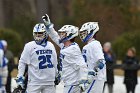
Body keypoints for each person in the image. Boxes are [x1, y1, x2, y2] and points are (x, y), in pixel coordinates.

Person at [42, 14, 88, 93]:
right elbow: (55, 37)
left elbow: (82, 65)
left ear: (70, 35)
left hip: (73, 84)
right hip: (69, 83)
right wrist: (49, 26)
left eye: (63, 34)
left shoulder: (72, 49)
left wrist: (83, 80)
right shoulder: (66, 46)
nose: (60, 35)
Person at [15, 23, 58, 93]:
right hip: (35, 81)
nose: (38, 35)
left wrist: (56, 74)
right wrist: (20, 77)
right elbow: (22, 62)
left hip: (49, 81)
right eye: (36, 33)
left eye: (40, 33)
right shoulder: (29, 46)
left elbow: (55, 62)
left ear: (45, 33)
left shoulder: (51, 45)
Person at [79, 22, 106, 93]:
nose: (82, 35)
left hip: (95, 78)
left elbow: (101, 62)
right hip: (90, 79)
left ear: (91, 32)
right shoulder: (88, 46)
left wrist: (93, 72)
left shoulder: (95, 44)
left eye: (84, 33)